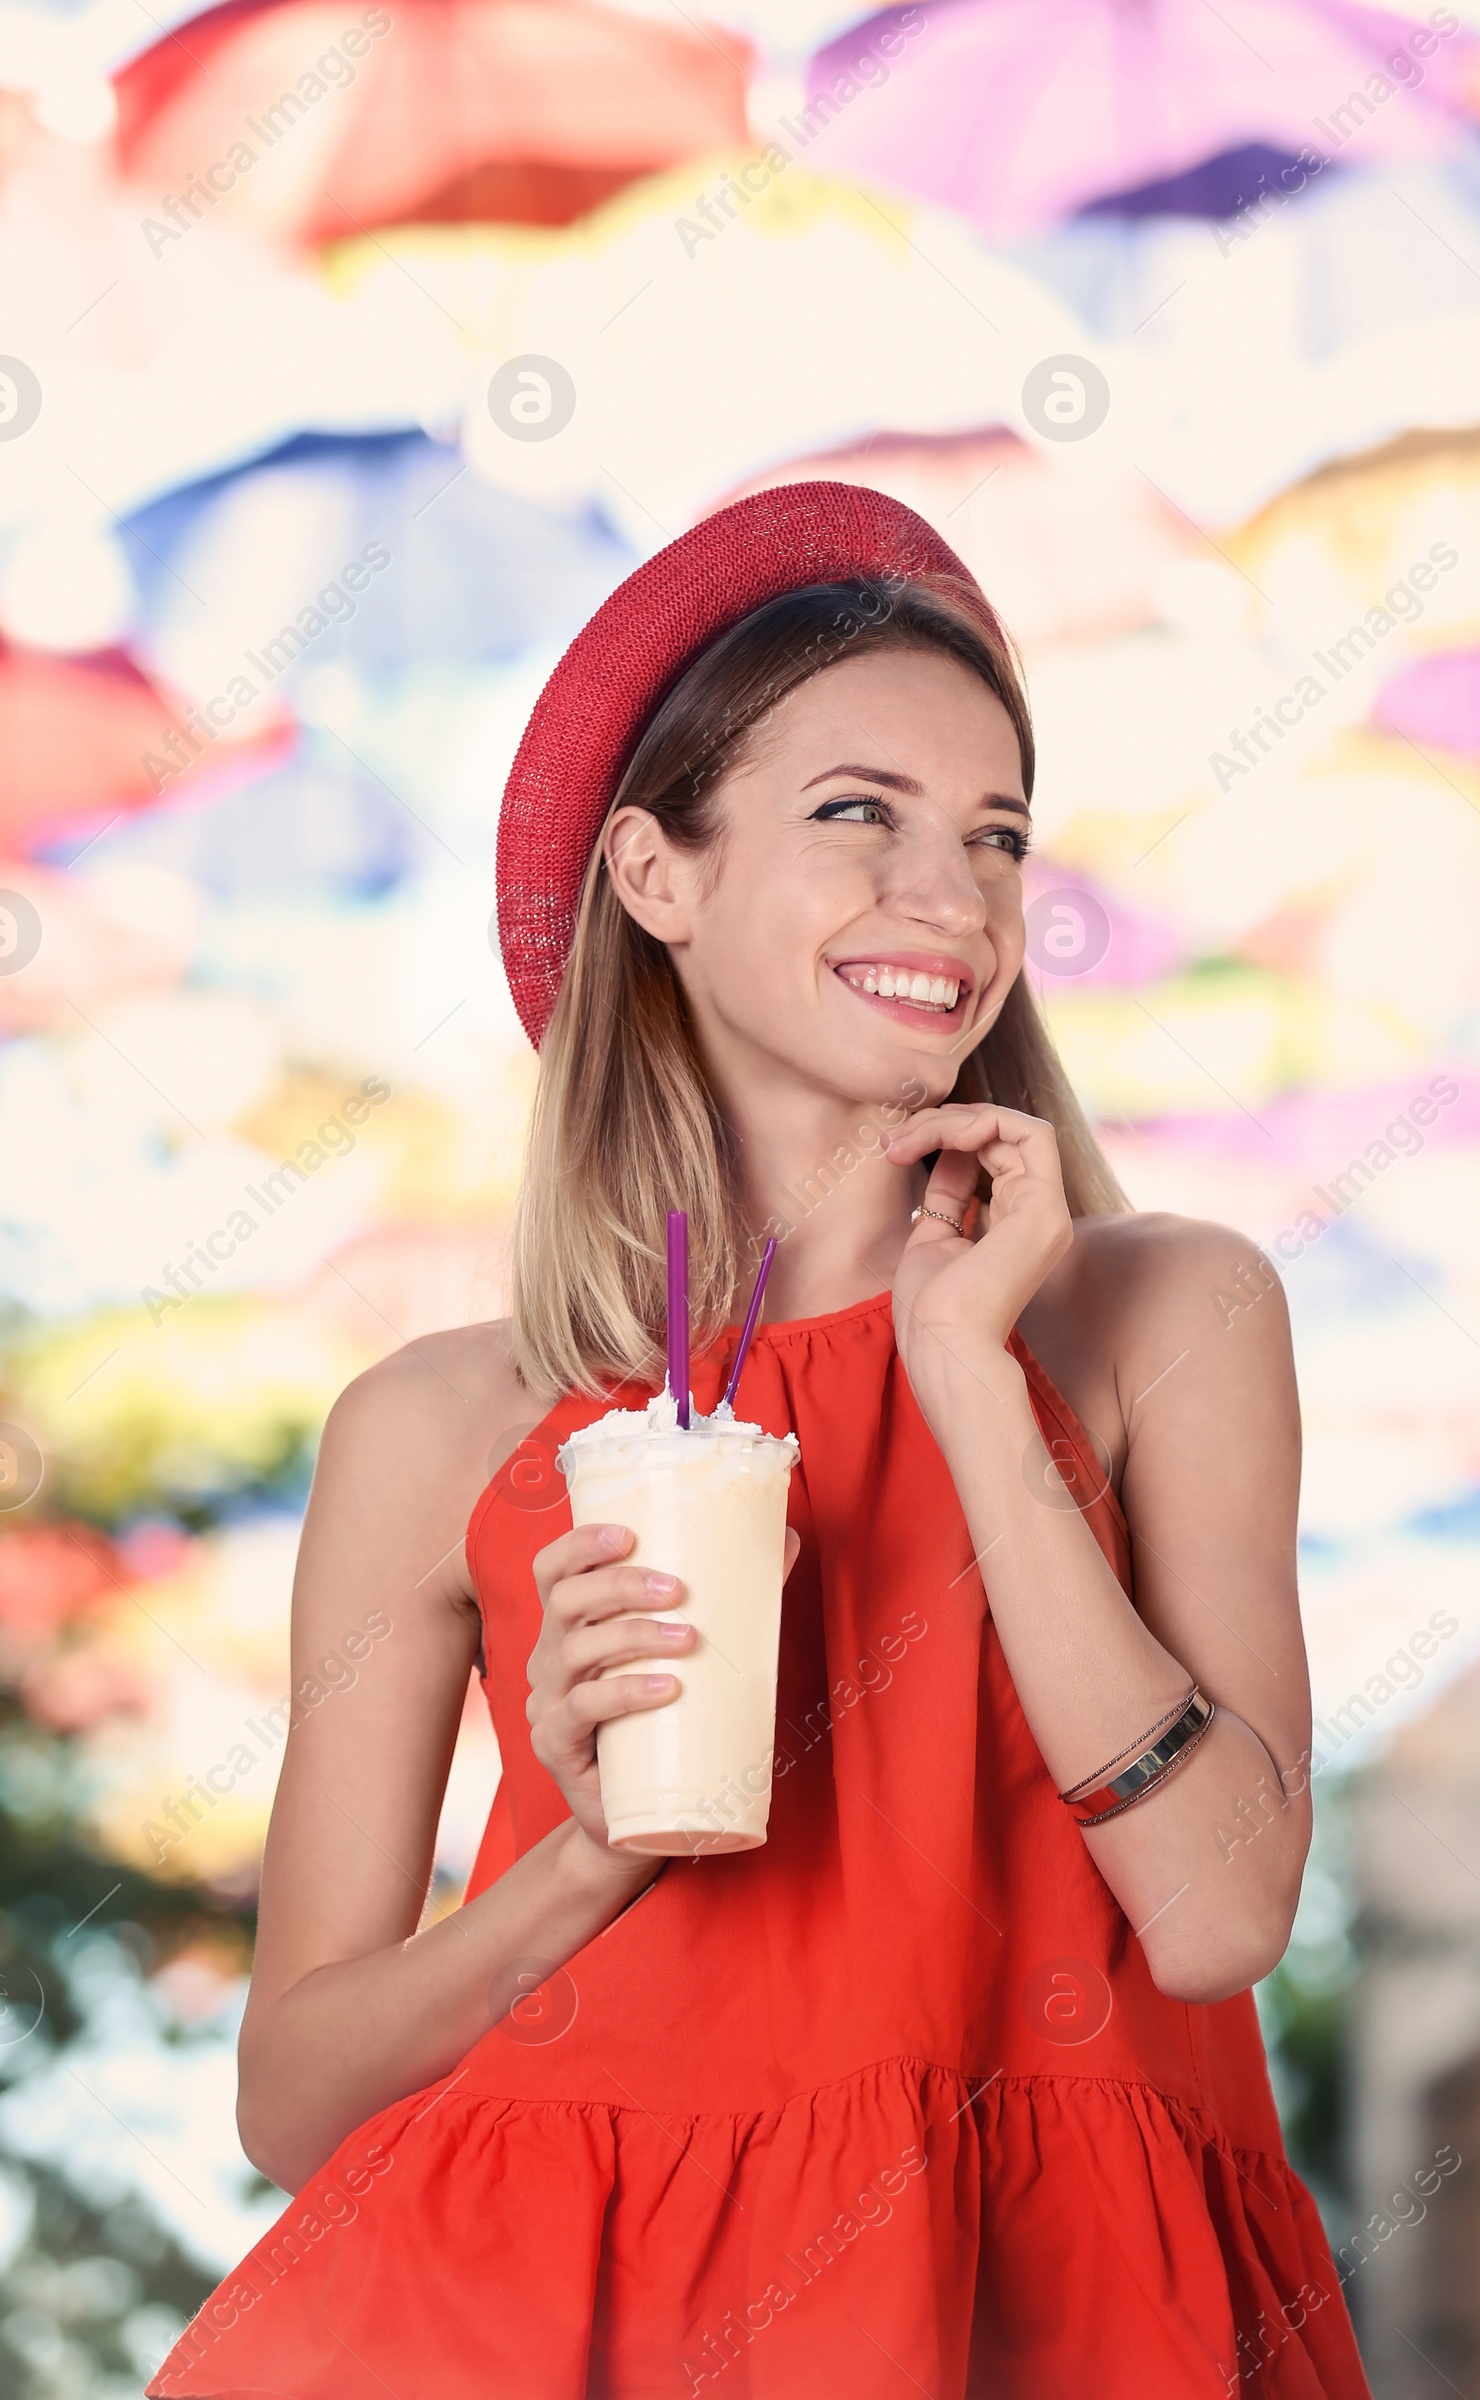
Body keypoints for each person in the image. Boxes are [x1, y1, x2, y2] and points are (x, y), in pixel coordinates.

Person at [149, 483, 1371, 2398]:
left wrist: (969, 1375)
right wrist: (578, 1866)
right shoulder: (439, 1426)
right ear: (658, 875)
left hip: (1053, 2300)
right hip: (558, 2312)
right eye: (856, 815)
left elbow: (1219, 1914)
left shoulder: (1168, 1316)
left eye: (995, 837)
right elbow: (298, 2107)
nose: (953, 901)